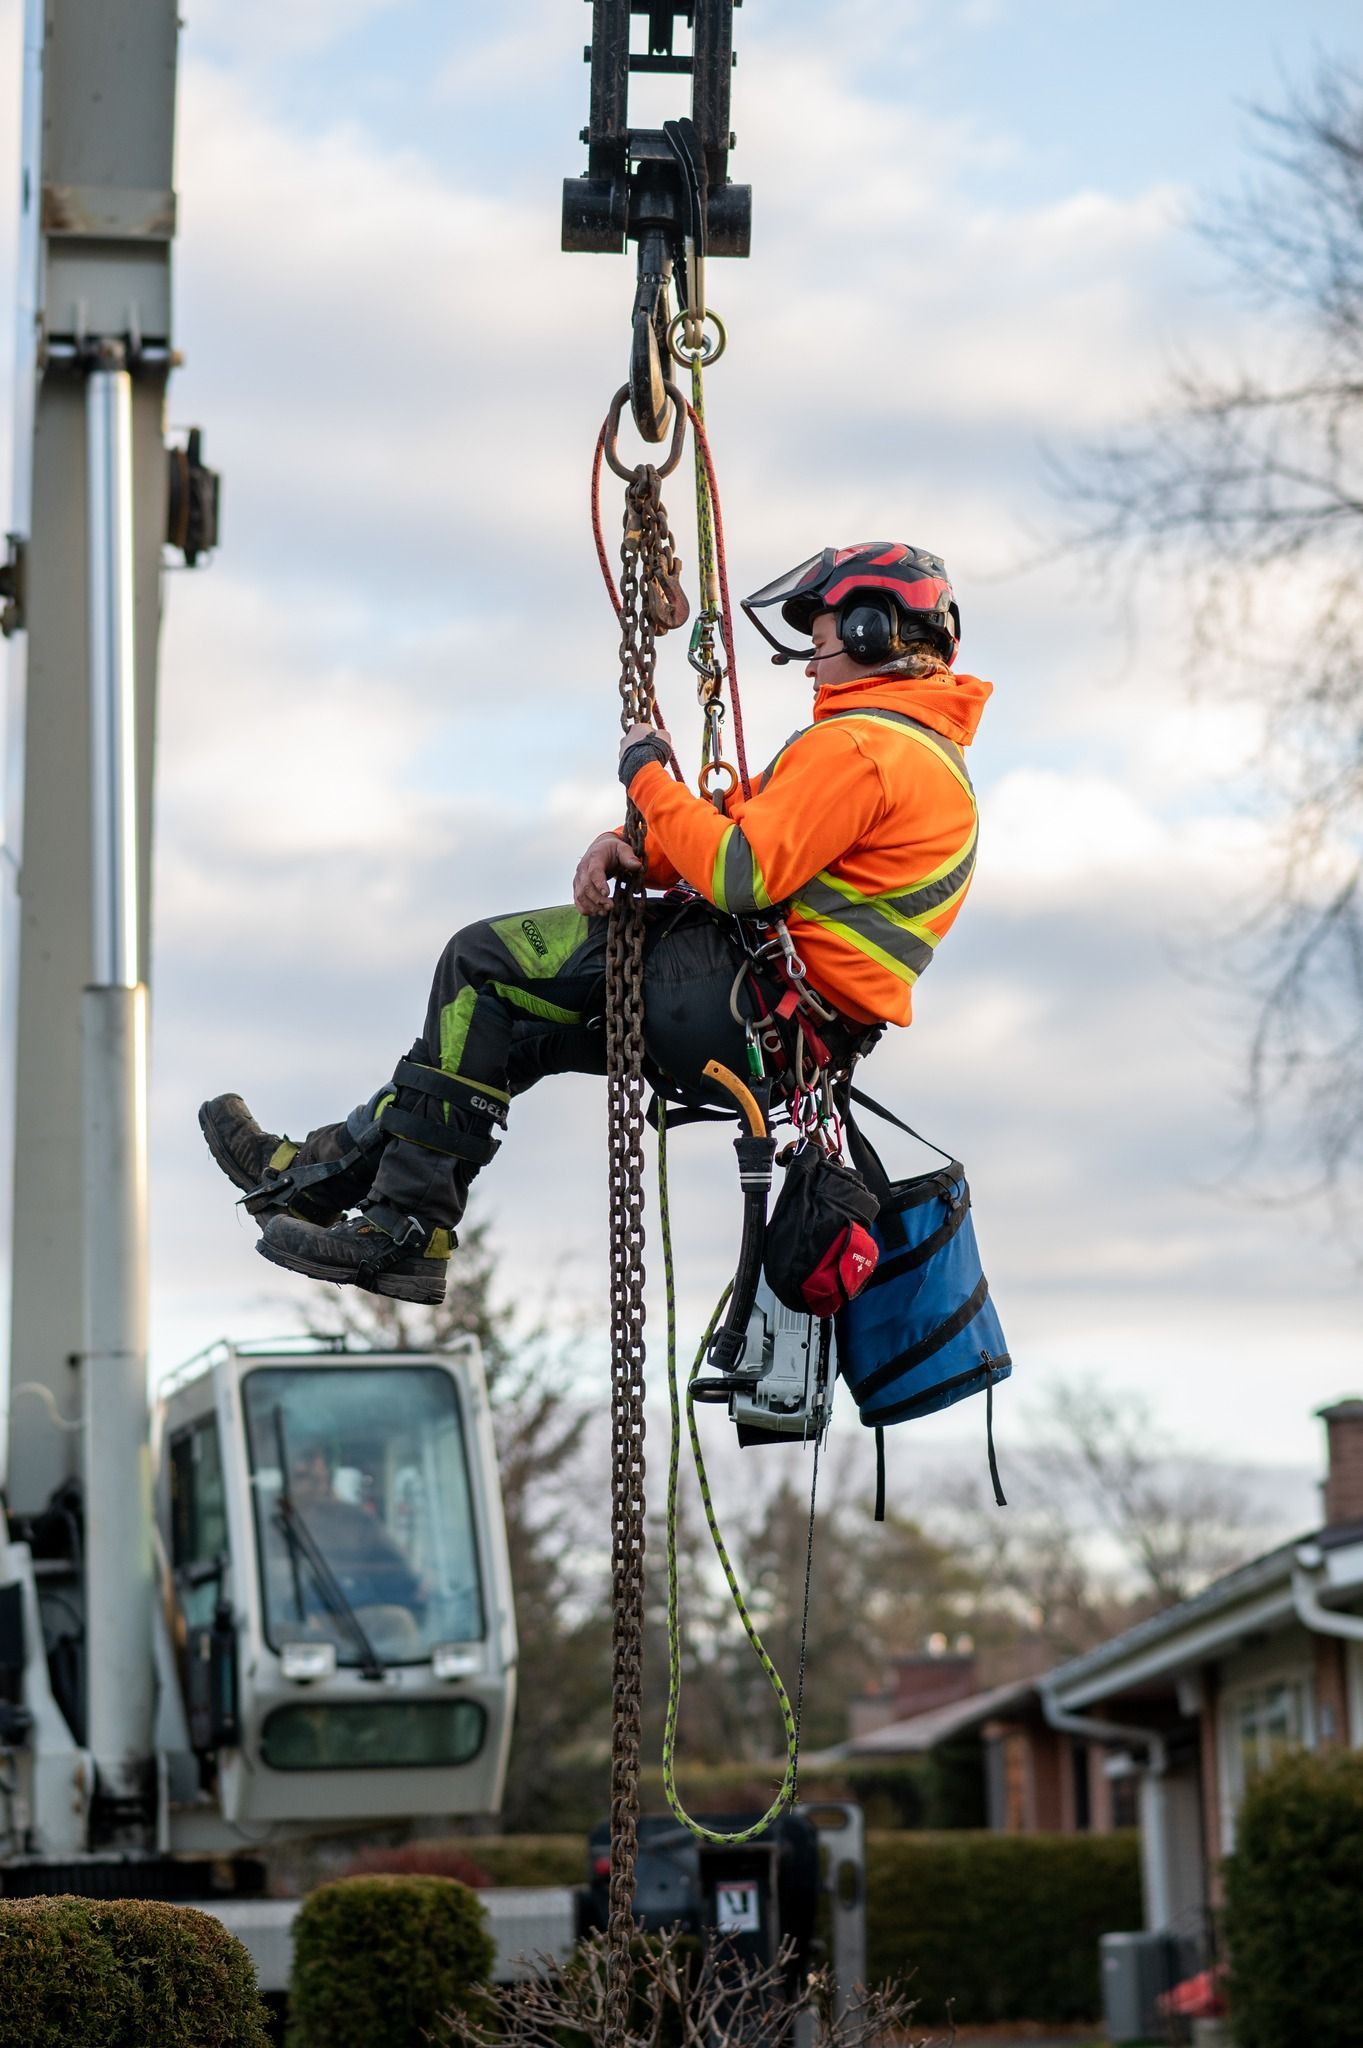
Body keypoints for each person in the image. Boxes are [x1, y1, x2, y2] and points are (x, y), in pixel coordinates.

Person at [200, 543, 992, 1306]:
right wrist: (639, 856)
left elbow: (738, 871)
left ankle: (406, 1228)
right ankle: (313, 1179)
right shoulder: (911, 752)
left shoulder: (861, 746)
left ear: (873, 630)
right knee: (498, 1031)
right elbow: (733, 824)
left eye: (821, 631)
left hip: (736, 996)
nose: (809, 652)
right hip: (779, 1037)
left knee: (480, 960)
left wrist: (644, 771)